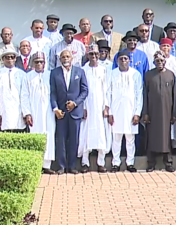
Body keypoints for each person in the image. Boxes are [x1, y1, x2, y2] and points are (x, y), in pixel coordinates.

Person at [50, 50, 89, 174]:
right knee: (60, 139)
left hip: (75, 111)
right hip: (61, 111)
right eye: (63, 57)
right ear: (59, 59)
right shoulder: (54, 73)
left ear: (72, 58)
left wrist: (75, 103)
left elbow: (85, 91)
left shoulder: (80, 71)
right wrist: (55, 108)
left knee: (74, 139)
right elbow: (52, 92)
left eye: (68, 56)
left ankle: (72, 166)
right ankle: (61, 166)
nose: (65, 58)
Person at [106, 50, 143, 173]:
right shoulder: (111, 74)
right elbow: (108, 93)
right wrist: (110, 112)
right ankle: (115, 163)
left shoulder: (136, 74)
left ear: (129, 60)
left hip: (131, 111)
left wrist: (137, 113)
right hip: (116, 111)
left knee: (130, 139)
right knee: (116, 138)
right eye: (121, 59)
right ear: (117, 61)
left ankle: (130, 163)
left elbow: (139, 95)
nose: (123, 61)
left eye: (125, 59)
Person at [22, 53, 57, 174]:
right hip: (34, 111)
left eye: (41, 62)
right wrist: (27, 113)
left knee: (49, 134)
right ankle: (36, 164)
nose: (39, 64)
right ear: (33, 63)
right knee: (36, 135)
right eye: (36, 62)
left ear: (45, 63)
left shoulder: (50, 75)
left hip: (49, 111)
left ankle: (47, 165)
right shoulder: (28, 77)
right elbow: (24, 96)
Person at [143, 51, 176, 172]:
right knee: (152, 137)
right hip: (152, 112)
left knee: (166, 137)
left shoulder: (171, 75)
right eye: (157, 61)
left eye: (162, 61)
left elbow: (174, 95)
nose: (159, 63)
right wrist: (145, 113)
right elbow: (144, 95)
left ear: (165, 61)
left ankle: (168, 163)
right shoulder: (148, 75)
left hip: (167, 112)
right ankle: (151, 163)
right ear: (154, 62)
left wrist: (174, 113)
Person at [78, 45, 109, 173]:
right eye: (91, 54)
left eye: (96, 54)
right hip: (88, 106)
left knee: (101, 134)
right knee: (85, 134)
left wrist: (106, 106)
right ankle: (85, 163)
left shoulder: (104, 70)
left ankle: (100, 162)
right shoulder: (82, 70)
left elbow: (107, 90)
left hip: (100, 106)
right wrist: (83, 107)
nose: (94, 57)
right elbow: (81, 90)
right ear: (88, 55)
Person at [0, 46, 26, 133]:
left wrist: (26, 113)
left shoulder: (22, 74)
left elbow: (25, 95)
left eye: (12, 57)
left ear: (15, 59)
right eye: (7, 57)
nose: (10, 59)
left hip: (19, 112)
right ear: (3, 59)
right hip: (4, 112)